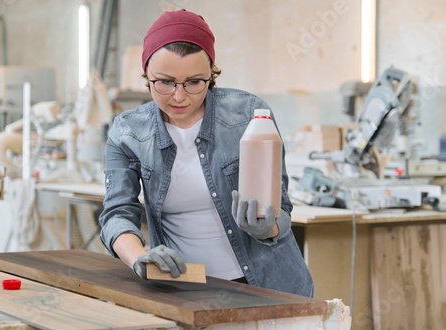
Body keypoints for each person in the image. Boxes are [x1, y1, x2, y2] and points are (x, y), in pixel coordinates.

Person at [99, 9, 313, 297]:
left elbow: (282, 208)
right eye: (164, 82)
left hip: (270, 286)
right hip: (187, 288)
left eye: (194, 82)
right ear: (146, 75)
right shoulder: (127, 132)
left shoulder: (249, 115)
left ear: (211, 75)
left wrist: (269, 228)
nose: (179, 96)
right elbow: (116, 213)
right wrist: (138, 257)